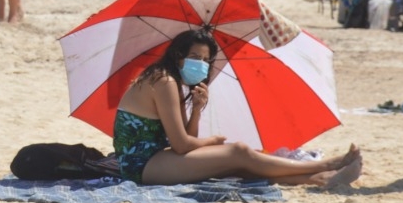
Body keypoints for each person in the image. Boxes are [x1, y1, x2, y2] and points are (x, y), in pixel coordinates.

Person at [113, 29, 363, 187]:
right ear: (179, 55)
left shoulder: (173, 82)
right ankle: (325, 165)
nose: (201, 65)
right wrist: (213, 140)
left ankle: (320, 180)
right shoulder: (164, 81)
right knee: (239, 152)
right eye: (195, 58)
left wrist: (198, 109)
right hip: (141, 167)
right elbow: (181, 145)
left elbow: (187, 140)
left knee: (238, 165)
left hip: (156, 161)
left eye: (205, 60)